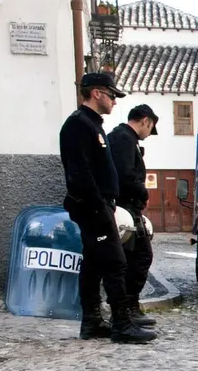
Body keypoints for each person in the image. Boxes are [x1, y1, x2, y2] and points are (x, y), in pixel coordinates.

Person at [59, 72, 156, 344]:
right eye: (112, 95)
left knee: (92, 265)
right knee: (115, 263)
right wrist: (99, 207)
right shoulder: (78, 125)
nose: (115, 101)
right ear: (97, 93)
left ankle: (91, 323)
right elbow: (79, 173)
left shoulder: (93, 124)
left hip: (99, 206)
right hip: (93, 207)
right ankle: (122, 325)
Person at [109, 104, 159, 328]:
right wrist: (143, 193)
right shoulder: (123, 139)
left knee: (133, 259)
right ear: (145, 121)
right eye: (150, 128)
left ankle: (130, 307)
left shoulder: (123, 138)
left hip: (128, 206)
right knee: (139, 257)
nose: (149, 134)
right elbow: (126, 175)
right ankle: (127, 308)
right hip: (126, 206)